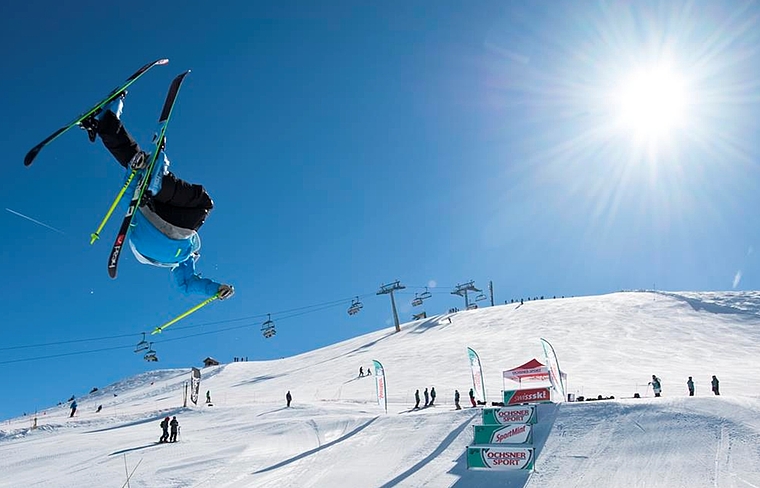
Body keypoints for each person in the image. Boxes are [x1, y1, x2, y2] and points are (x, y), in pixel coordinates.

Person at [82, 94, 234, 300]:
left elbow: (130, 197)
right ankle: (106, 121)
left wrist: (132, 173)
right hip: (143, 234)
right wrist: (215, 290)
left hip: (170, 235)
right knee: (140, 164)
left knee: (203, 203)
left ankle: (159, 183)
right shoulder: (180, 263)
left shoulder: (185, 255)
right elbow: (187, 285)